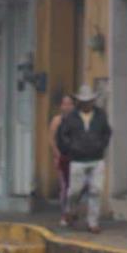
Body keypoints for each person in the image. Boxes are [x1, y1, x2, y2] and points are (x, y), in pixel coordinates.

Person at [56, 84, 112, 233]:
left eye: (89, 101)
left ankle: (92, 222)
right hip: (77, 159)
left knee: (96, 190)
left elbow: (107, 133)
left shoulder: (100, 115)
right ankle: (71, 210)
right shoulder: (71, 117)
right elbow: (62, 135)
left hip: (96, 158)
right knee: (74, 190)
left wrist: (101, 145)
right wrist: (70, 148)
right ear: (79, 101)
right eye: (84, 101)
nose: (87, 103)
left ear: (93, 101)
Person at [48, 94, 76, 226]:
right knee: (65, 187)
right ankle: (65, 213)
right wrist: (57, 154)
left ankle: (72, 211)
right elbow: (52, 139)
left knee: (76, 187)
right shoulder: (57, 120)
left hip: (76, 158)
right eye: (64, 104)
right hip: (62, 158)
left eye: (70, 103)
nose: (67, 106)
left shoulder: (78, 120)